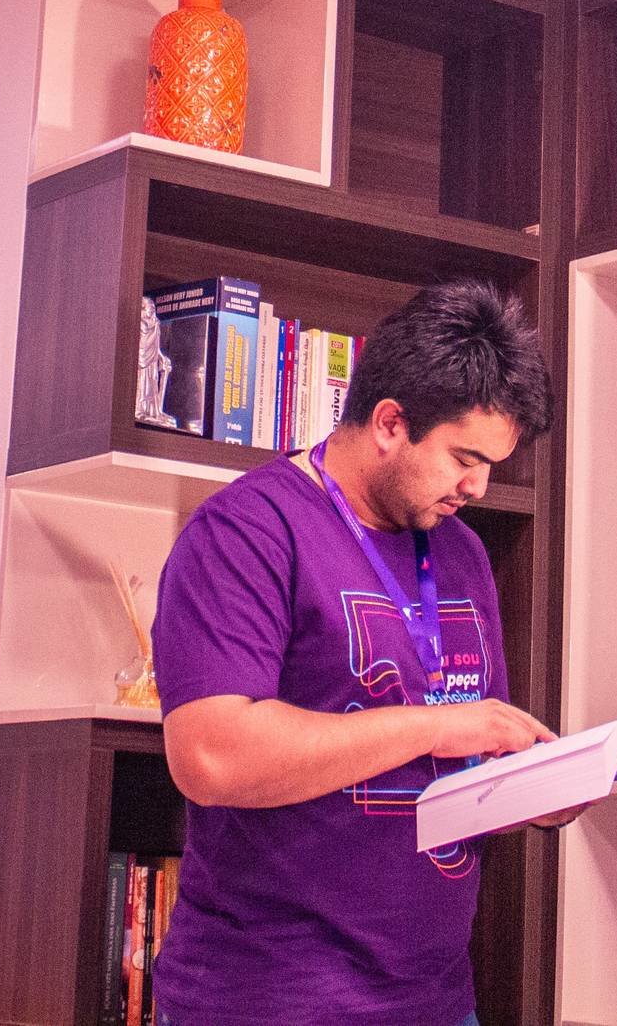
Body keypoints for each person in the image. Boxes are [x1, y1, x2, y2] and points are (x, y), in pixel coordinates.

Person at [149, 279, 560, 1026]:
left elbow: (461, 768)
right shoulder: (245, 532)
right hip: (268, 1003)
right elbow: (210, 757)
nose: (477, 486)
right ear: (390, 423)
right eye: (464, 457)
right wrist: (437, 726)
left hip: (435, 1000)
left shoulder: (462, 553)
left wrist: (540, 789)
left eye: (492, 464)